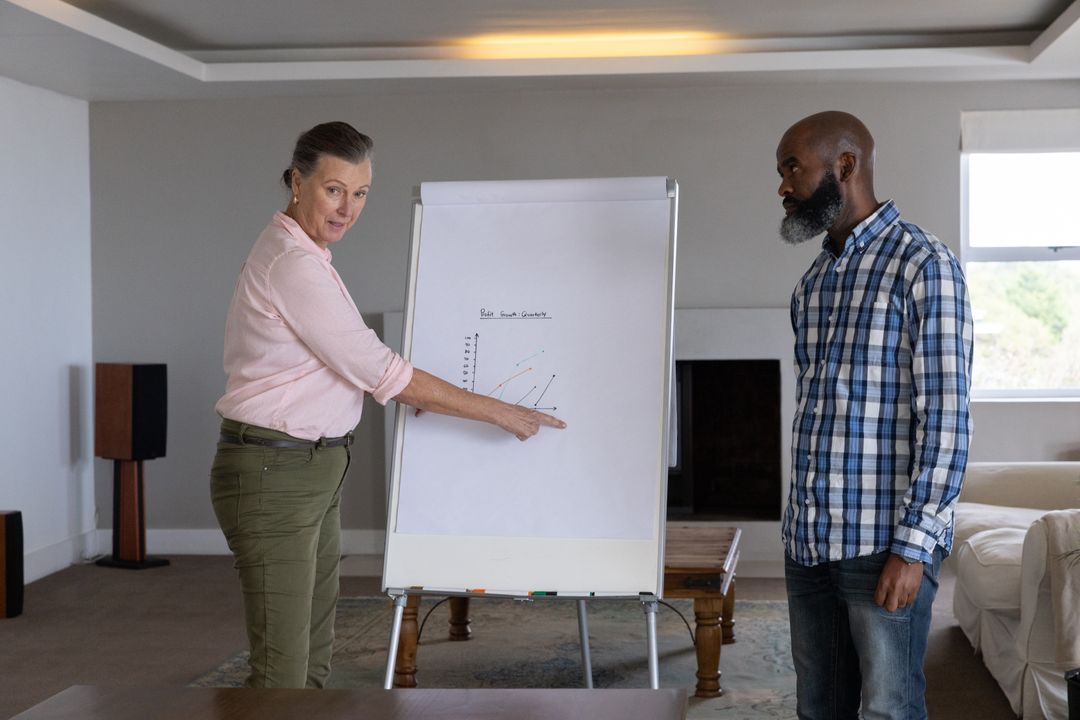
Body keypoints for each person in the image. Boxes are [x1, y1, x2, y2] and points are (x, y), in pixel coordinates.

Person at [210, 121, 565, 689]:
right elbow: (379, 370)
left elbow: (329, 365)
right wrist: (497, 411)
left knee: (312, 653)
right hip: (274, 473)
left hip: (308, 467)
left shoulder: (306, 254)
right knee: (281, 670)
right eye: (333, 189)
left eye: (361, 193)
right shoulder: (295, 265)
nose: (347, 208)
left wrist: (412, 394)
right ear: (297, 183)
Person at [775, 111, 973, 719]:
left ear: (845, 166)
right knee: (819, 705)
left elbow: (945, 418)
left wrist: (913, 550)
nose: (782, 186)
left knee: (889, 708)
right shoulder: (813, 283)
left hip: (882, 543)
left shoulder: (923, 264)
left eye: (791, 168)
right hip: (808, 542)